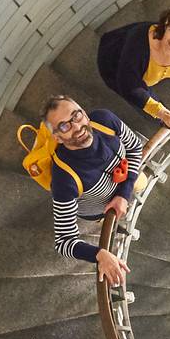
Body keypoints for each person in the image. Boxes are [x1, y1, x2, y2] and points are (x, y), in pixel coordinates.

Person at [38, 95, 141, 285]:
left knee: (139, 184)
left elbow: (135, 148)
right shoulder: (64, 179)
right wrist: (99, 254)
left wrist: (124, 193)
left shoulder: (105, 120)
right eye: (64, 126)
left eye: (76, 116)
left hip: (127, 180)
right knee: (111, 222)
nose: (76, 127)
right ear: (57, 138)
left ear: (84, 114)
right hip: (100, 212)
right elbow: (64, 241)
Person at [96, 0, 170, 135]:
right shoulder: (137, 46)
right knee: (141, 100)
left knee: (148, 96)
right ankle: (163, 122)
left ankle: (166, 121)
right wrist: (161, 112)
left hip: (142, 72)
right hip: (114, 66)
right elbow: (128, 85)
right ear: (166, 23)